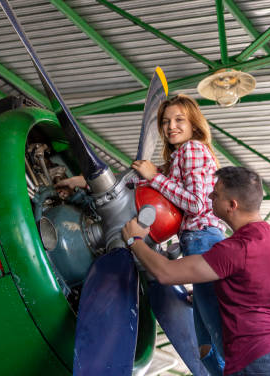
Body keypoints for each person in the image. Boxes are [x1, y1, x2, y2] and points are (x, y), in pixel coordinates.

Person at [58, 94, 226, 375]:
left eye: (179, 120)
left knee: (216, 337)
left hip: (203, 240)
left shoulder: (193, 149)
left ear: (194, 125)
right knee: (206, 343)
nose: (171, 126)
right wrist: (83, 182)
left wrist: (155, 176)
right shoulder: (178, 159)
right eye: (166, 121)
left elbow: (197, 203)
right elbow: (129, 183)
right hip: (197, 244)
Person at [122, 166, 270, 376]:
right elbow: (257, 285)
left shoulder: (236, 248)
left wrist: (134, 240)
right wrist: (212, 294)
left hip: (261, 356)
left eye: (215, 194)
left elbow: (166, 272)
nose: (209, 196)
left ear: (232, 205)